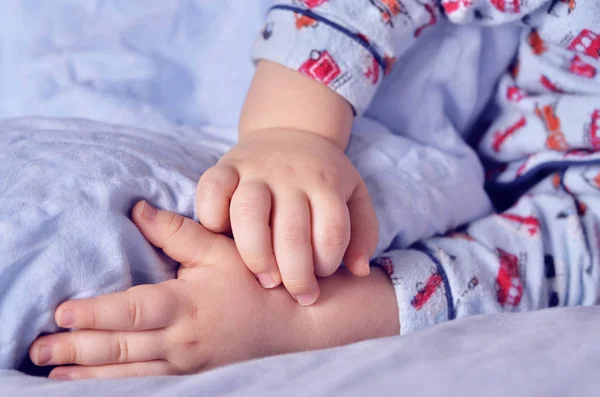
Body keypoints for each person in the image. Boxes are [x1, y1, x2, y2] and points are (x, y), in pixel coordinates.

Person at [30, 0, 600, 378]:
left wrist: (302, 324)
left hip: (476, 179)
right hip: (304, 78)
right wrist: (293, 128)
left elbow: (570, 258)